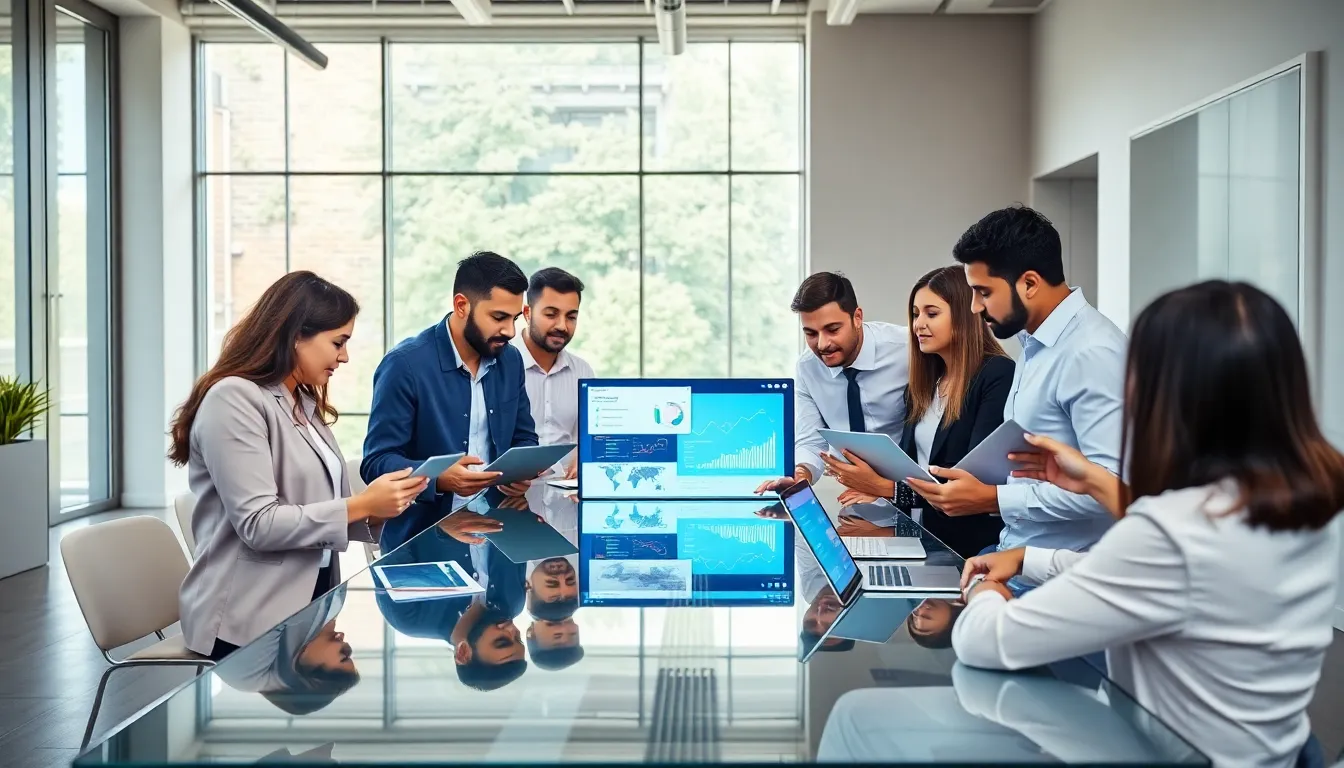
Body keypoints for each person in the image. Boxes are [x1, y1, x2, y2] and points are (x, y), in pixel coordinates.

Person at [953, 281, 1344, 768]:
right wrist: (1033, 557)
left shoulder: (1175, 531)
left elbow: (983, 641)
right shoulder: (1300, 506)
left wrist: (984, 593)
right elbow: (1170, 582)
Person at [170, 272, 427, 660]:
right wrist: (364, 505)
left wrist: (385, 509)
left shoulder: (301, 402)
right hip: (248, 617)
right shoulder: (234, 399)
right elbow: (260, 524)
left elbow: (317, 504)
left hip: (309, 604)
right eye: (338, 343)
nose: (344, 357)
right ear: (294, 335)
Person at [906, 206, 1126, 559]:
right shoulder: (1033, 344)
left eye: (984, 292)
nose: (975, 307)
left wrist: (991, 498)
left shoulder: (1092, 353)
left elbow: (1112, 490)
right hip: (1013, 555)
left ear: (1028, 283)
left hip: (1061, 575)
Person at [822, 266, 1013, 557]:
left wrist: (886, 490)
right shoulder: (922, 388)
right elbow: (916, 478)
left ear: (964, 316)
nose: (918, 324)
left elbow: (966, 492)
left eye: (931, 314)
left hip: (976, 551)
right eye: (915, 314)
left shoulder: (996, 375)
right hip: (932, 544)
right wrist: (888, 515)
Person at [362, 251, 540, 551]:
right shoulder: (404, 365)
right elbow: (376, 464)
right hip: (420, 546)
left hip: (496, 540)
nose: (510, 331)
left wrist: (521, 471)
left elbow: (524, 437)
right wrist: (438, 479)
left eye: (514, 318)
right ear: (461, 306)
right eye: (498, 317)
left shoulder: (510, 360)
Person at [755, 272, 909, 495]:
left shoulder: (907, 350)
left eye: (833, 330)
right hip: (852, 501)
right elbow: (810, 441)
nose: (822, 344)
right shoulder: (808, 368)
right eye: (811, 333)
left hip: (911, 496)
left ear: (857, 317)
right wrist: (801, 475)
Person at [215, 584, 362, 716]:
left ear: (311, 680)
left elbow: (269, 609)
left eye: (344, 656)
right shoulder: (333, 608)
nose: (344, 641)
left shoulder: (247, 677)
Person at [516, 267, 595, 480]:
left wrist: (585, 456)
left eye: (571, 317)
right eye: (551, 314)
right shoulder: (500, 367)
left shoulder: (583, 372)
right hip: (509, 497)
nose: (562, 325)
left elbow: (589, 439)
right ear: (527, 313)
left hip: (566, 496)